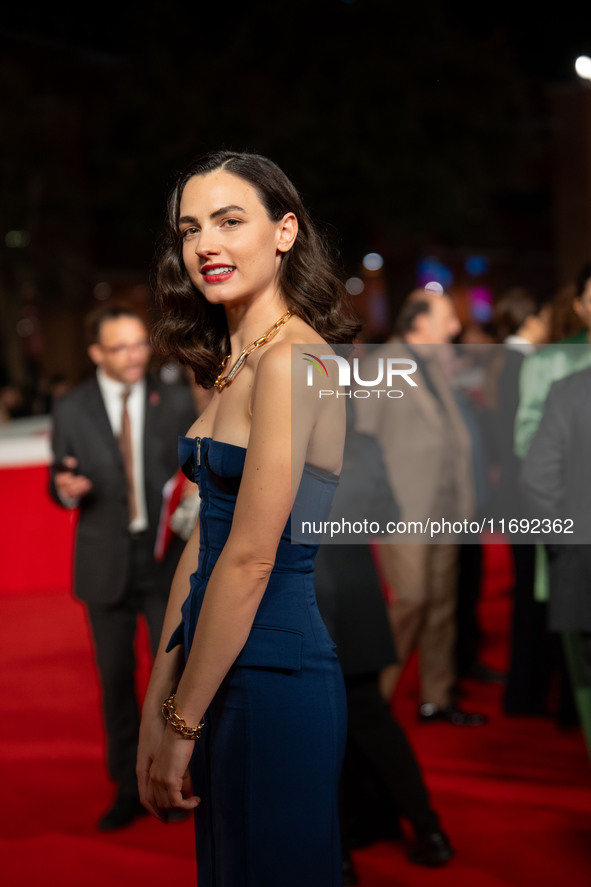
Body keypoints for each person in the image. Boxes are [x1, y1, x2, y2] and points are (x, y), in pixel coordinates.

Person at [136, 151, 359, 887]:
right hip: (217, 666)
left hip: (273, 675)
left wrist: (179, 723)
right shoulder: (240, 359)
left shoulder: (298, 360)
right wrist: (159, 699)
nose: (205, 243)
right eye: (190, 227)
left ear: (285, 231)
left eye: (231, 221)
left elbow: (249, 557)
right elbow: (203, 544)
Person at [50, 304, 196, 830]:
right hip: (103, 561)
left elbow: (194, 470)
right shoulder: (71, 407)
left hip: (165, 560)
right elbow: (58, 475)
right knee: (116, 682)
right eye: (120, 347)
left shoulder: (175, 397)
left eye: (139, 344)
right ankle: (126, 786)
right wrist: (65, 490)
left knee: (172, 679)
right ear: (96, 354)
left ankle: (173, 777)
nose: (135, 356)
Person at [314, 422, 453, 886]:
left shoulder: (275, 440)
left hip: (307, 600)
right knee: (373, 719)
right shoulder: (364, 444)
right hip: (360, 600)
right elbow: (387, 518)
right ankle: (429, 829)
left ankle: (340, 854)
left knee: (320, 734)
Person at [355, 286, 485, 725]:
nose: (455, 327)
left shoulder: (432, 366)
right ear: (419, 322)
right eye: (446, 318)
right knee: (411, 600)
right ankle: (375, 705)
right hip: (402, 513)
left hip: (446, 508)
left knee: (442, 605)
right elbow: (362, 439)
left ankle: (436, 696)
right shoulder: (384, 365)